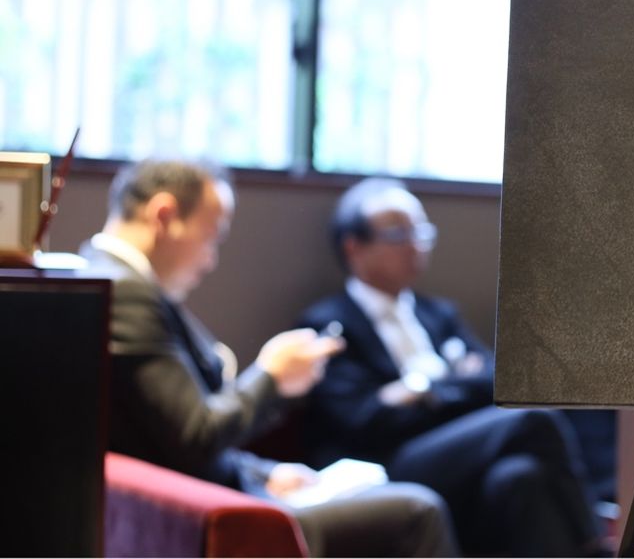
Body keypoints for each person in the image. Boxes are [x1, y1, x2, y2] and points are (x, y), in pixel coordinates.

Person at [82, 159, 458, 557]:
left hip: (214, 492)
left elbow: (165, 434)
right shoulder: (129, 293)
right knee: (419, 509)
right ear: (164, 216)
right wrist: (272, 376)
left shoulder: (111, 278)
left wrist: (266, 471)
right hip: (208, 511)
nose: (211, 260)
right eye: (211, 237)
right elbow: (196, 435)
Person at [298, 177, 605, 557]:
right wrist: (449, 380)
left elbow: (493, 380)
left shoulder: (438, 314)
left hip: (461, 454)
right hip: (388, 463)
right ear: (354, 247)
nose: (415, 245)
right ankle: (599, 547)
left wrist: (420, 390)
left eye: (421, 232)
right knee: (535, 419)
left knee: (520, 476)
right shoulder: (327, 325)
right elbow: (364, 419)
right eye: (398, 234)